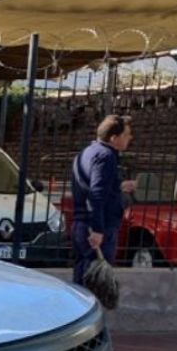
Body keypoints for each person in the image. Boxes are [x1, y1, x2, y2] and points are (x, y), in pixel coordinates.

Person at [71, 114, 135, 286]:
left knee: (82, 276)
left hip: (82, 223)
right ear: (114, 138)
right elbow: (96, 193)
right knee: (96, 282)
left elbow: (90, 185)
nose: (130, 138)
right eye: (126, 134)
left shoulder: (87, 152)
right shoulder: (107, 156)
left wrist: (118, 186)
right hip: (97, 226)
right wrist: (98, 230)